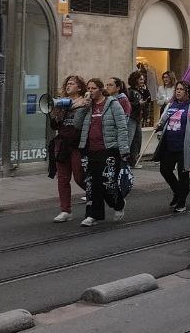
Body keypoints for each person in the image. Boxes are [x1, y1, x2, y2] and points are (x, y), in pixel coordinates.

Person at [75, 78, 131, 227]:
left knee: (107, 183)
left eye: (93, 88)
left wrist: (124, 149)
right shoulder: (88, 106)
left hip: (109, 149)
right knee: (93, 184)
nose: (90, 91)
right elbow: (77, 124)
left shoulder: (112, 104)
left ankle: (118, 203)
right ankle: (94, 215)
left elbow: (122, 127)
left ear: (100, 90)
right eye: (88, 88)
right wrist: (82, 107)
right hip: (90, 149)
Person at [154, 79, 190, 212]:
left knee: (183, 174)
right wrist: (159, 125)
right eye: (176, 89)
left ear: (188, 92)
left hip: (184, 147)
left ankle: (181, 202)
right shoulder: (171, 105)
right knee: (165, 170)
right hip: (169, 145)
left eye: (181, 89)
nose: (178, 91)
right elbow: (163, 120)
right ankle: (177, 192)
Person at [47, 75, 87, 222]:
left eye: (72, 83)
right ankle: (65, 210)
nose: (68, 85)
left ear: (79, 87)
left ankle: (96, 194)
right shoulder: (61, 102)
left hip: (76, 144)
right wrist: (54, 113)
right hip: (63, 143)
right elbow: (55, 126)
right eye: (68, 83)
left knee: (79, 177)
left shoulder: (85, 101)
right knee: (62, 179)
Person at [126, 70, 152, 167]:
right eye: (140, 79)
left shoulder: (142, 90)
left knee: (137, 140)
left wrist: (145, 90)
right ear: (135, 80)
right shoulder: (130, 91)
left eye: (143, 79)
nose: (143, 80)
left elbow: (148, 99)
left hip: (138, 118)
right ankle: (125, 161)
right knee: (130, 139)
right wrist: (138, 104)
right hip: (131, 118)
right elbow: (128, 105)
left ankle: (133, 161)